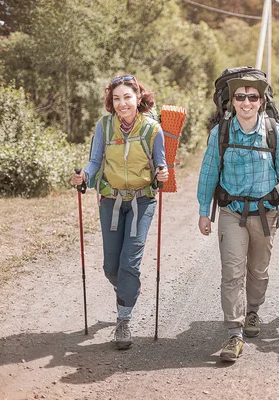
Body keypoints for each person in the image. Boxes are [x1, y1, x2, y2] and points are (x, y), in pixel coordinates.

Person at [197, 75, 279, 362]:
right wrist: (204, 211)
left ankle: (253, 310)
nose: (246, 102)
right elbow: (208, 172)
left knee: (258, 270)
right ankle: (234, 332)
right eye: (240, 97)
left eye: (252, 97)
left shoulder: (273, 131)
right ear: (232, 101)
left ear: (261, 101)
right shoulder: (222, 132)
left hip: (265, 213)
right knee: (232, 271)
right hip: (231, 212)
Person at [70, 74, 168, 350]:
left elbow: (161, 166)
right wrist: (84, 177)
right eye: (116, 99)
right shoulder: (104, 125)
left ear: (138, 98)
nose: (122, 103)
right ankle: (129, 289)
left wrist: (163, 173)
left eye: (127, 97)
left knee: (129, 263)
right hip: (110, 201)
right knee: (111, 267)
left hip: (142, 202)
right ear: (110, 103)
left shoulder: (152, 129)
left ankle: (123, 320)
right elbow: (94, 162)